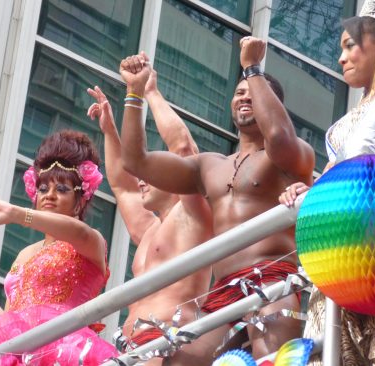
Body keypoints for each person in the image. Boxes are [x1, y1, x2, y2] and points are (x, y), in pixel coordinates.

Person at [120, 41, 315, 360]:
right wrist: (135, 92)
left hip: (271, 279)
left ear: (272, 105)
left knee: (271, 356)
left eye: (253, 91)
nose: (245, 96)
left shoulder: (290, 157)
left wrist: (253, 68)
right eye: (239, 92)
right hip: (221, 293)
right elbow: (135, 161)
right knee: (176, 359)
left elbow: (278, 135)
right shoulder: (208, 166)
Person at [279, 1, 375, 364]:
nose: (341, 59)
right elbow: (336, 178)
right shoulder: (348, 120)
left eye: (350, 45)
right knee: (330, 350)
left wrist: (372, 178)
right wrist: (311, 190)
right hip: (343, 256)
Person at [86, 63, 216, 365]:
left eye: (152, 173)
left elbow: (184, 149)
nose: (142, 179)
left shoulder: (192, 215)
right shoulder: (147, 229)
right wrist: (110, 131)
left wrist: (150, 92)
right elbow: (123, 185)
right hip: (131, 349)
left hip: (173, 343)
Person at [0, 130, 117, 365]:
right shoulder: (25, 254)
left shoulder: (90, 241)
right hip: (17, 355)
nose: (49, 196)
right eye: (43, 189)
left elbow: (79, 232)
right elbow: (8, 321)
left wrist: (17, 214)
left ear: (81, 200)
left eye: (62, 189)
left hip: (64, 351)